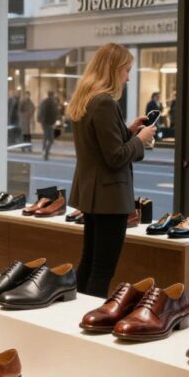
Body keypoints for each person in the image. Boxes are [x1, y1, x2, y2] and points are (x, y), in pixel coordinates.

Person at [68, 43, 155, 296]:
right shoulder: (105, 102)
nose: (128, 78)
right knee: (102, 269)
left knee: (89, 262)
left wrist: (128, 131)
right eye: (126, 70)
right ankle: (92, 315)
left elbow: (99, 145)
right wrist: (141, 139)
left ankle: (77, 311)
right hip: (109, 198)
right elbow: (115, 157)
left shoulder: (86, 99)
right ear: (114, 69)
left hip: (92, 194)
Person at [38, 90, 60, 160]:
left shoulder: (43, 102)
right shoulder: (53, 103)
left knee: (46, 136)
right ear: (52, 95)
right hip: (49, 123)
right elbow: (55, 113)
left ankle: (43, 150)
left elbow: (40, 111)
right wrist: (55, 121)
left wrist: (40, 119)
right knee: (51, 139)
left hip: (44, 122)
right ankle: (46, 153)